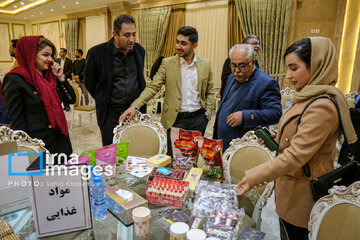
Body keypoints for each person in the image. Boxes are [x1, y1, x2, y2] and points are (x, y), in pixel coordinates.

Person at [234, 37, 357, 240]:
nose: (288, 76)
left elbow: (295, 156)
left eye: (294, 68)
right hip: (289, 187)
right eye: (287, 68)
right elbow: (297, 136)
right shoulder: (307, 95)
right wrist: (277, 137)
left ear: (316, 66)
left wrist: (254, 176)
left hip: (303, 194)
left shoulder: (322, 105)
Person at [119, 26, 215, 149]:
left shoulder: (205, 64)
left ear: (194, 45)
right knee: (173, 158)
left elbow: (210, 91)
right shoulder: (168, 63)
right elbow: (153, 87)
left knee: (194, 157)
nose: (178, 46)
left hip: (198, 119)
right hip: (175, 120)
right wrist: (134, 106)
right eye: (177, 42)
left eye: (183, 43)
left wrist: (207, 115)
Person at [1, 36, 75, 160]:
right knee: (44, 178)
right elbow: (17, 122)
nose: (50, 59)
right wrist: (26, 153)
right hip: (37, 146)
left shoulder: (50, 76)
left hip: (60, 140)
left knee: (64, 176)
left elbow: (71, 99)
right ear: (31, 54)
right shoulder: (15, 79)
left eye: (51, 55)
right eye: (45, 55)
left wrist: (61, 78)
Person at [85, 15, 146, 146]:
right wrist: (103, 99)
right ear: (115, 34)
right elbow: (89, 83)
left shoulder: (139, 50)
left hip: (134, 112)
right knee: (111, 153)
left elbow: (139, 79)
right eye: (127, 35)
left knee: (135, 149)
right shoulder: (97, 53)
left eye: (134, 34)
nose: (132, 40)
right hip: (110, 115)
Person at [213, 44, 281, 150]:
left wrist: (245, 116)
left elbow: (275, 113)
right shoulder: (231, 78)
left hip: (245, 148)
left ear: (252, 62)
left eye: (242, 66)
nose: (237, 70)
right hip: (223, 143)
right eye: (233, 65)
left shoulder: (266, 82)